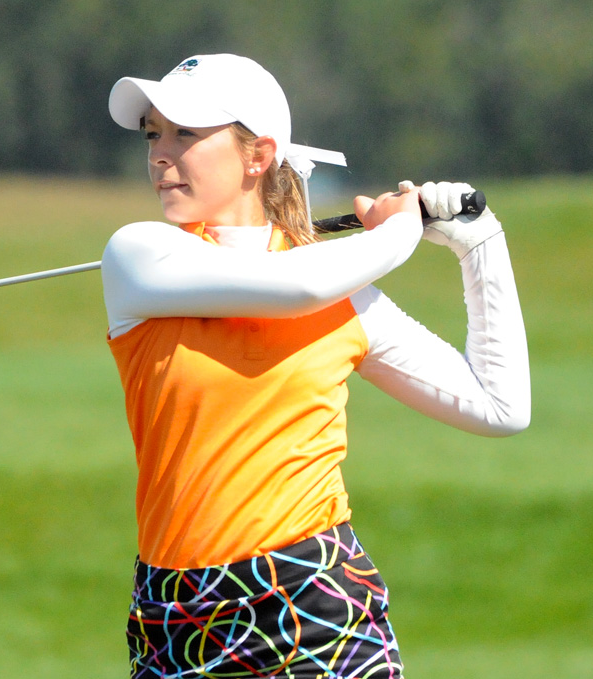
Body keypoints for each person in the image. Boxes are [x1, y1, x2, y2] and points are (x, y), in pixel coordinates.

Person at [100, 54, 530, 679]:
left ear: (258, 155)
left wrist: (480, 243)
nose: (161, 155)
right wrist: (398, 232)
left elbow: (499, 406)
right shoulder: (137, 254)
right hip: (179, 614)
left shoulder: (343, 292)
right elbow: (298, 287)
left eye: (185, 133)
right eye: (153, 135)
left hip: (318, 603)